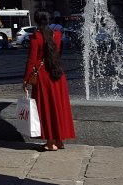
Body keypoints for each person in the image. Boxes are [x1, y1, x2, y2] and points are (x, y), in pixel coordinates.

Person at [23, 10, 75, 151]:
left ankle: (50, 142)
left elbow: (32, 60)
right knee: (59, 107)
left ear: (36, 21)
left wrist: (26, 79)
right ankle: (59, 140)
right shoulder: (57, 35)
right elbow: (58, 53)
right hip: (58, 75)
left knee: (46, 108)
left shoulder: (36, 37)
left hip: (43, 76)